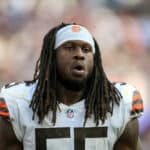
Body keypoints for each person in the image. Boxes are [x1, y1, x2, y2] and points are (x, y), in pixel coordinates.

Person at [0, 23, 144, 150]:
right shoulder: (18, 103)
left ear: (95, 61)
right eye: (69, 47)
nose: (79, 54)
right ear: (51, 57)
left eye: (86, 49)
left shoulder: (119, 103)